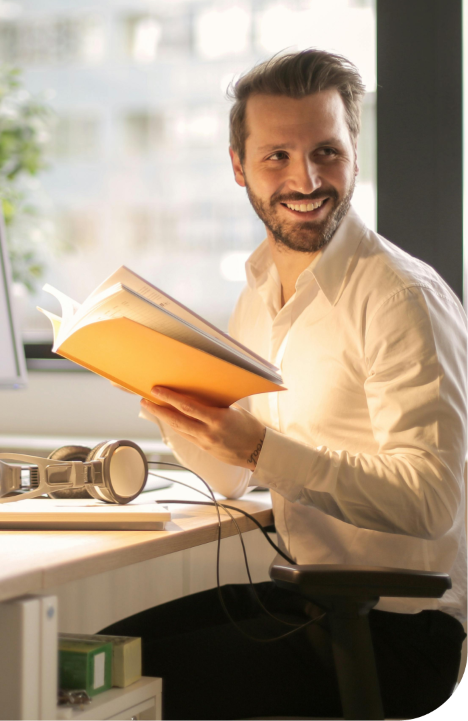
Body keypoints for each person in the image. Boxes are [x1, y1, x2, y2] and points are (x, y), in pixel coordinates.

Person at [101, 49, 468, 719]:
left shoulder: (398, 295)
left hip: (397, 628)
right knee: (97, 656)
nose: (305, 178)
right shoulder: (260, 292)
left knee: (112, 689)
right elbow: (231, 478)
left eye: (325, 151)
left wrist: (260, 447)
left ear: (353, 152)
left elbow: (429, 500)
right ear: (238, 166)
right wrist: (167, 400)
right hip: (308, 597)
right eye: (277, 156)